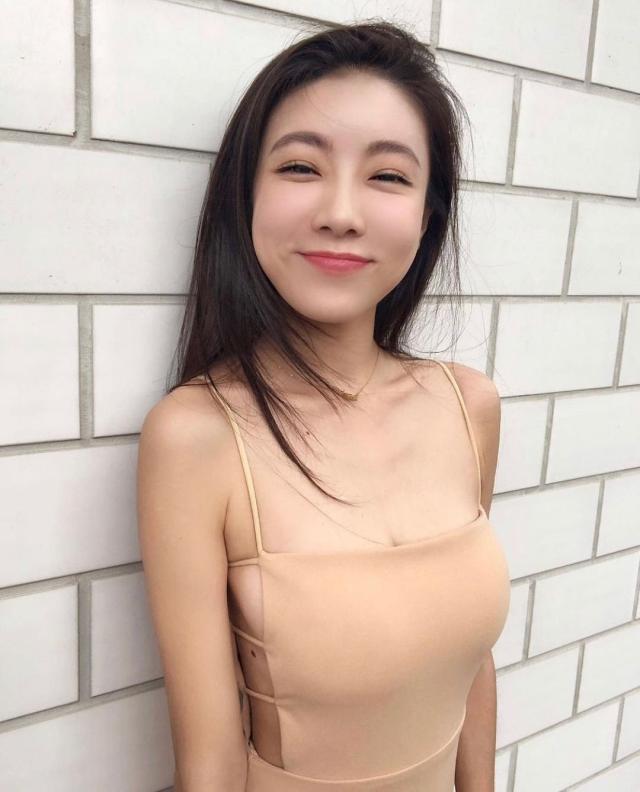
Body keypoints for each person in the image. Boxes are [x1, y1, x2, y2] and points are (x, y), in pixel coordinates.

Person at [137, 20, 510, 792]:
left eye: (388, 176)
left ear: (428, 214)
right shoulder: (197, 437)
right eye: (301, 166)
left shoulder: (469, 405)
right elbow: (209, 764)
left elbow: (471, 664)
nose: (342, 212)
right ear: (246, 197)